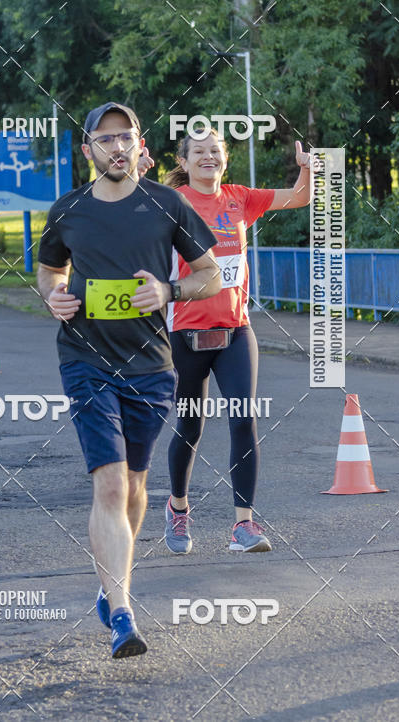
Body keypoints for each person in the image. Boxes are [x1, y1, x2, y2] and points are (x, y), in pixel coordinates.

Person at [37, 102, 221, 658]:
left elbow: (210, 275)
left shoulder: (167, 203)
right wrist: (54, 298)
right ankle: (122, 612)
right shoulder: (67, 210)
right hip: (86, 359)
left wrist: (169, 291)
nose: (117, 147)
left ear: (140, 144)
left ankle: (108, 582)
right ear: (87, 148)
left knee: (137, 487)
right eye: (105, 138)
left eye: (126, 137)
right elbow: (49, 274)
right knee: (111, 484)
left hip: (151, 367)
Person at [142, 130, 313, 555]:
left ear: (225, 159)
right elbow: (127, 210)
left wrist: (309, 170)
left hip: (236, 331)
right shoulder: (172, 201)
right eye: (198, 151)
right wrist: (137, 173)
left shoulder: (241, 198)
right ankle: (178, 508)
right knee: (191, 425)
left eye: (215, 151)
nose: (208, 157)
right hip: (185, 334)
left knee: (243, 420)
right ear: (183, 161)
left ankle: (243, 525)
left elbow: (298, 197)